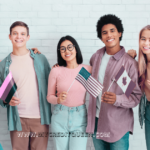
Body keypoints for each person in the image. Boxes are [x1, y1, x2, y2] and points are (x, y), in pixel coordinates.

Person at [86, 14, 142, 150]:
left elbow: (135, 97)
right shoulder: (96, 57)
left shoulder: (129, 64)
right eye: (104, 32)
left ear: (119, 33)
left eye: (112, 31)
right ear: (100, 37)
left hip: (118, 126)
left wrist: (117, 99)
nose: (109, 35)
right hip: (97, 123)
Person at [0, 21, 51, 150]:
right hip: (18, 120)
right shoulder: (4, 64)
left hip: (40, 119)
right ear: (10, 36)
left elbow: (52, 83)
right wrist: (7, 99)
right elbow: (2, 96)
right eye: (15, 33)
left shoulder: (40, 59)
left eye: (23, 34)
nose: (19, 37)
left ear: (28, 37)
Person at [47, 35, 92, 150]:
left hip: (80, 117)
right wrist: (58, 99)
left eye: (69, 47)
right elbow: (49, 97)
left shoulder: (87, 70)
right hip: (60, 116)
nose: (66, 51)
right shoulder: (56, 71)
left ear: (76, 49)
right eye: (62, 49)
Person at [128, 25, 150, 150]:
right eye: (143, 38)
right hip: (148, 110)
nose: (146, 43)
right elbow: (128, 90)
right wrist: (128, 61)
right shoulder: (141, 67)